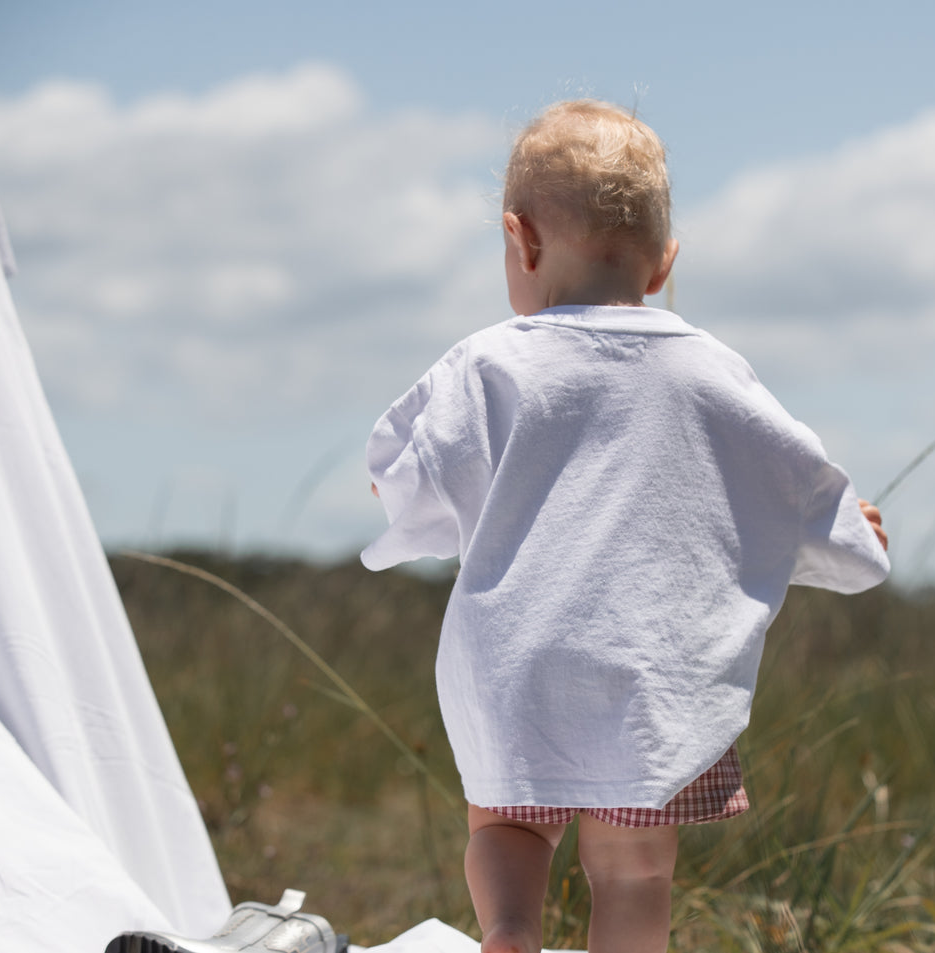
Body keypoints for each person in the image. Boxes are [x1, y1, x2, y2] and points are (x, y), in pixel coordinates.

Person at [362, 100, 890, 953]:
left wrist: (394, 487)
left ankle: (510, 928)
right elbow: (789, 487)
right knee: (635, 871)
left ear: (520, 241)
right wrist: (853, 534)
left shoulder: (490, 362)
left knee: (508, 826)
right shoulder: (713, 370)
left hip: (516, 665)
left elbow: (411, 479)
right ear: (663, 264)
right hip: (654, 679)